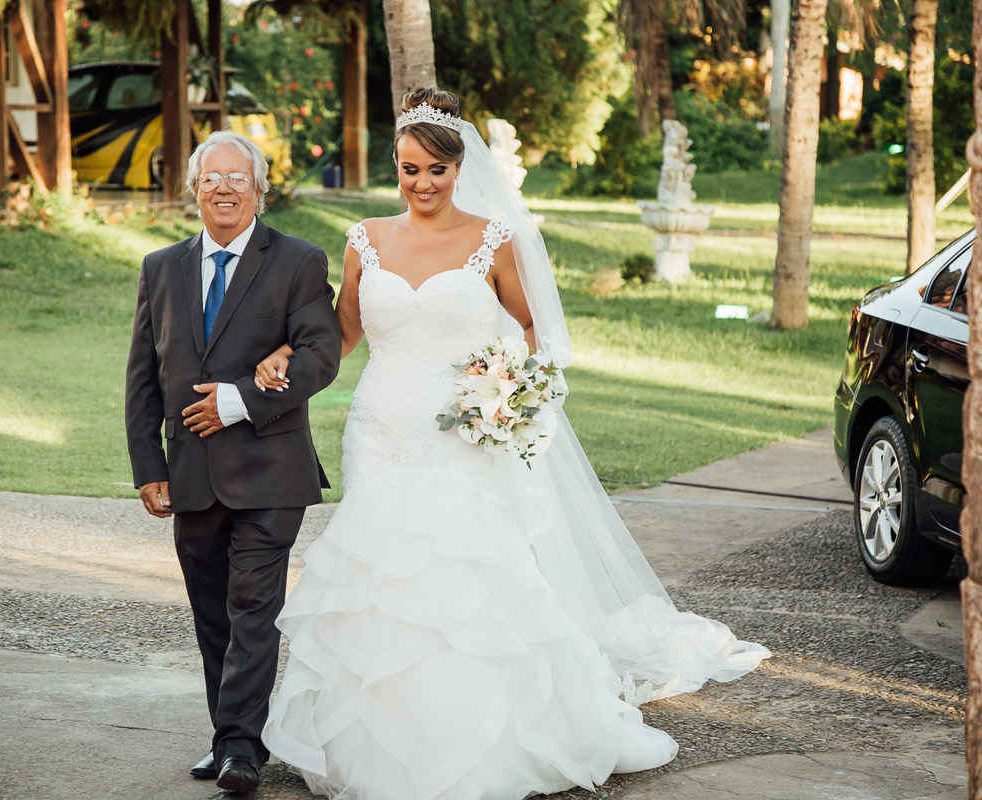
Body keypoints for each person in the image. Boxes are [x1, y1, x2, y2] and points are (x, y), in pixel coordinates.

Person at [256, 89, 770, 800]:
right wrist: (285, 354)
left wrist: (510, 394)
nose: (421, 184)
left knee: (469, 577)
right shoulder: (364, 240)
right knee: (379, 575)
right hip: (379, 429)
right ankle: (371, 742)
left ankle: (484, 742)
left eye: (435, 170)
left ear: (458, 167)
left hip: (465, 433)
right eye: (409, 170)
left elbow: (540, 334)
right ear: (395, 167)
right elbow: (341, 337)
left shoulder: (493, 239)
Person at [124, 131, 341, 793]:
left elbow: (318, 356)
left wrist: (240, 402)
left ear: (259, 189)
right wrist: (147, 465)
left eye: (235, 178)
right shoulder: (160, 267)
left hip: (272, 471)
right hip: (189, 475)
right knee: (212, 613)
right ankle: (228, 736)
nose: (223, 188)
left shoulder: (298, 261)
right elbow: (143, 377)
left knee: (252, 608)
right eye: (210, 178)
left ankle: (242, 750)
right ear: (195, 189)